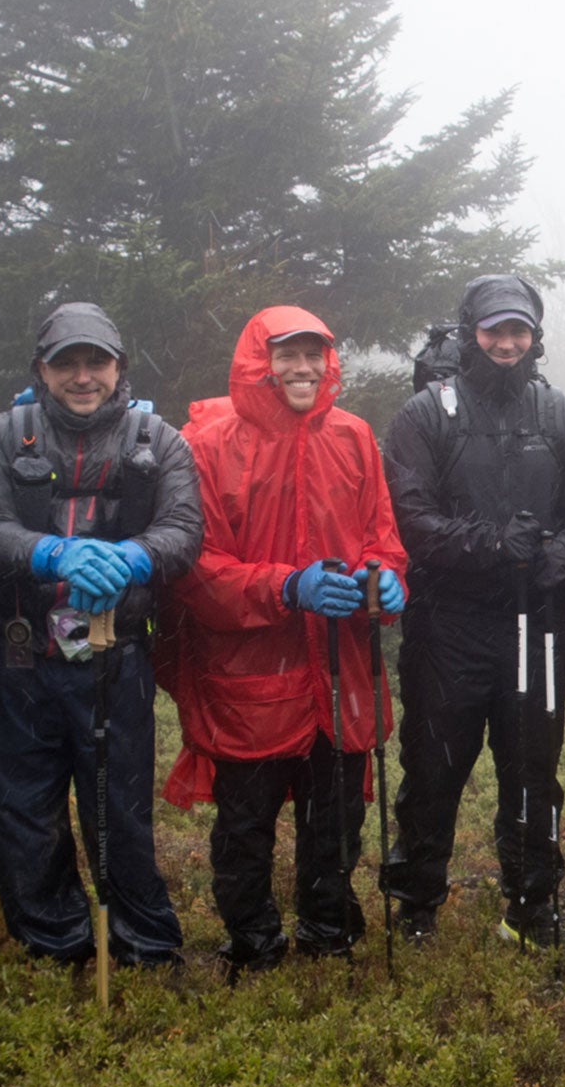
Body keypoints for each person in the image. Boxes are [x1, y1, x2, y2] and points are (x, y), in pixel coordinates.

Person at [158, 307, 409, 972]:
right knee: (246, 826)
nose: (302, 369)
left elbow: (382, 536)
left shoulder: (354, 437)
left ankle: (329, 930)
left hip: (340, 668)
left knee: (336, 820)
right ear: (256, 362)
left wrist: (386, 581)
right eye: (287, 356)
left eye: (314, 356)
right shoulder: (210, 446)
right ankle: (253, 943)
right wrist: (283, 587)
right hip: (250, 673)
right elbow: (197, 569)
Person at [0, 303, 202, 968]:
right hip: (18, 651)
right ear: (42, 368)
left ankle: (143, 942)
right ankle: (54, 942)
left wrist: (133, 558)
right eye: (66, 362)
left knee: (119, 806)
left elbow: (183, 529)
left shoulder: (160, 440)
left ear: (118, 366)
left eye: (96, 361)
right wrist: (52, 555)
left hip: (114, 651)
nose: (82, 376)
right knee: (24, 807)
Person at [381, 274, 565, 947]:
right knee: (433, 768)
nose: (508, 342)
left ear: (535, 336)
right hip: (447, 623)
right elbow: (410, 517)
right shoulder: (425, 415)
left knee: (534, 772)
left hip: (535, 624)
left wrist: (558, 559)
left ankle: (534, 903)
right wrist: (486, 544)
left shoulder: (561, 415)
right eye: (495, 330)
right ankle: (417, 901)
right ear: (470, 332)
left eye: (520, 330)